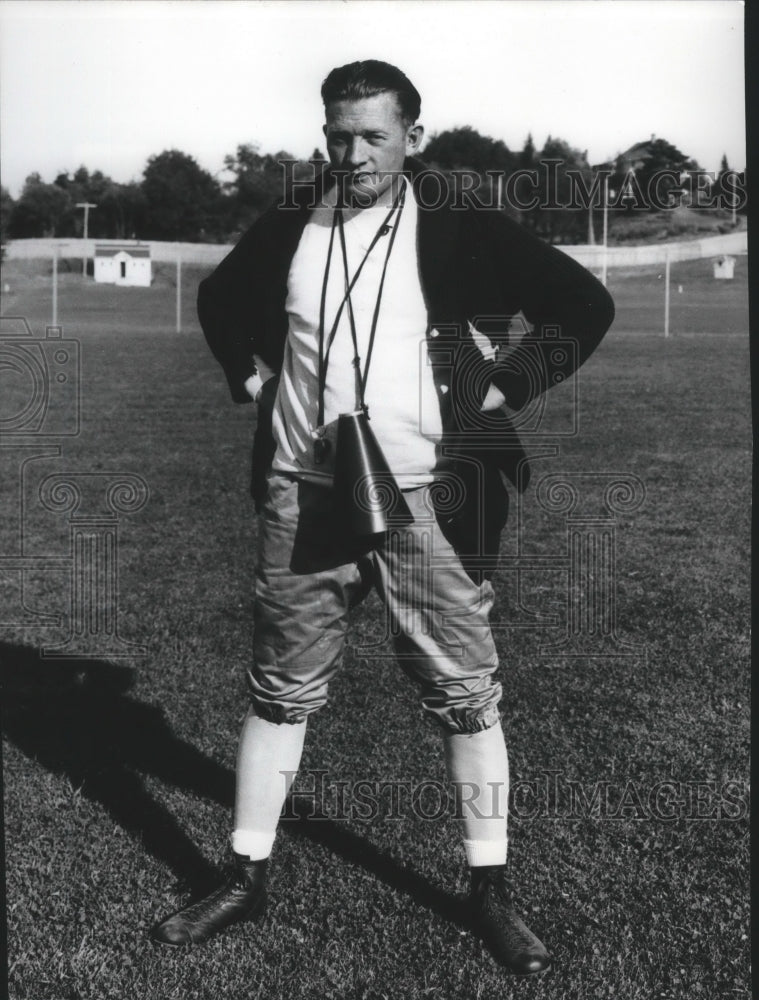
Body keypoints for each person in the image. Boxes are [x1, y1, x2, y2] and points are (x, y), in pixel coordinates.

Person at [152, 60, 614, 976]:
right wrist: (248, 374)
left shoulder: (456, 220)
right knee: (279, 690)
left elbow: (581, 304)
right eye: (337, 135)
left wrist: (503, 383)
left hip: (429, 497)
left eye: (372, 136)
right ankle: (245, 875)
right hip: (302, 493)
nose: (352, 154)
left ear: (412, 136)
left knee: (463, 694)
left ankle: (488, 891)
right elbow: (219, 299)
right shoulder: (294, 218)